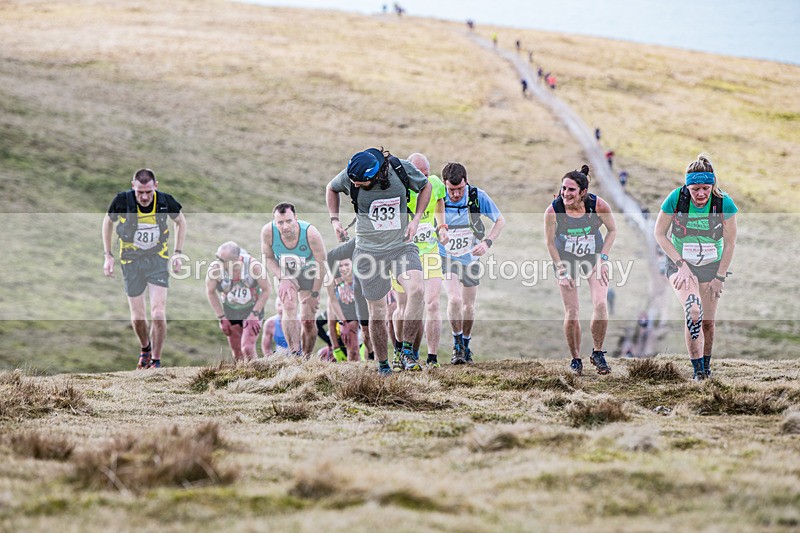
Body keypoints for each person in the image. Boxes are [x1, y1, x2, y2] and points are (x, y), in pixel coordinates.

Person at [326, 147, 431, 375]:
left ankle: (406, 352)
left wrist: (417, 220)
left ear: (373, 175)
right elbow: (331, 189)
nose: (353, 186)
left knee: (417, 292)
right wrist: (335, 221)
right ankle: (383, 365)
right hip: (368, 252)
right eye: (352, 181)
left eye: (359, 183)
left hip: (401, 246)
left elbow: (426, 186)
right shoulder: (352, 174)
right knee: (378, 311)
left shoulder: (400, 169)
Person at [653, 154, 738, 380]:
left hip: (712, 268)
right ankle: (697, 372)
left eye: (705, 188)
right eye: (695, 189)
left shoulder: (723, 202)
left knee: (708, 323)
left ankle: (706, 368)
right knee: (693, 311)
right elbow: (659, 234)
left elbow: (730, 244)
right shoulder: (676, 199)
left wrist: (719, 277)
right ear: (687, 187)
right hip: (681, 266)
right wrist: (681, 264)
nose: (700, 194)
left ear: (712, 185)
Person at [102, 168, 187, 369]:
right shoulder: (122, 201)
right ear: (133, 187)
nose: (145, 196)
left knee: (158, 313)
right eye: (140, 192)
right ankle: (145, 348)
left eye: (148, 192)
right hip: (131, 261)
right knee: (138, 317)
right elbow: (107, 222)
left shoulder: (165, 201)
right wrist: (108, 255)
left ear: (155, 187)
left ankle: (156, 361)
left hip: (157, 259)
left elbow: (180, 221)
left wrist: (177, 252)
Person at [544, 164, 617, 376]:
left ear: (583, 192)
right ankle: (576, 359)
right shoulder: (554, 210)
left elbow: (612, 230)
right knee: (573, 312)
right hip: (565, 261)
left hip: (594, 258)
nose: (566, 193)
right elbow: (549, 243)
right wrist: (561, 270)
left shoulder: (597, 206)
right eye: (564, 188)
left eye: (571, 190)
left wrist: (603, 258)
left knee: (601, 304)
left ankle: (598, 353)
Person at [440, 162, 505, 365]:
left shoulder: (477, 196)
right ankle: (457, 344)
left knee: (468, 306)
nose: (456, 194)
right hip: (446, 257)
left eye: (460, 189)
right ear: (444, 185)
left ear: (466, 182)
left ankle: (466, 346)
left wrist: (487, 243)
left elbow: (500, 220)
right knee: (455, 300)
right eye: (452, 190)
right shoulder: (438, 197)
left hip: (471, 258)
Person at [390, 153, 448, 369]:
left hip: (430, 251)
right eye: (418, 175)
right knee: (402, 306)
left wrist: (441, 226)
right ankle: (399, 350)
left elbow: (440, 200)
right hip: (404, 254)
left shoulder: (434, 184)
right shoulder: (398, 191)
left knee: (432, 303)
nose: (422, 180)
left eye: (425, 174)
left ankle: (432, 358)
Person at [261, 203, 327, 357]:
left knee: (307, 320)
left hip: (309, 275)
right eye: (280, 222)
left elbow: (322, 265)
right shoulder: (268, 232)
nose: (285, 226)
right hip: (285, 274)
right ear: (275, 222)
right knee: (289, 306)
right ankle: (295, 353)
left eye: (289, 221)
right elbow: (268, 258)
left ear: (296, 218)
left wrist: (315, 294)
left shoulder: (310, 234)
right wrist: (282, 276)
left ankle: (307, 356)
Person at [205, 241, 270, 362]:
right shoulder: (215, 269)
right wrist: (221, 317)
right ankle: (241, 380)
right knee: (237, 352)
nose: (218, 262)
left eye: (222, 260)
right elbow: (210, 291)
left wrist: (254, 314)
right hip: (231, 310)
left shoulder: (254, 266)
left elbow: (266, 290)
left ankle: (255, 377)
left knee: (247, 348)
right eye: (217, 257)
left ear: (235, 260)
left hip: (253, 308)